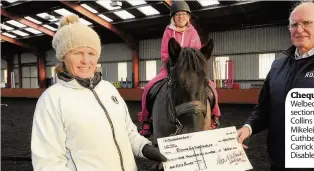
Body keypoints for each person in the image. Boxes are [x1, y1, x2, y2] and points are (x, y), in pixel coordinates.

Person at [31, 15, 167, 171]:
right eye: (77, 53)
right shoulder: (51, 100)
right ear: (63, 57)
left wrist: (145, 148)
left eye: (91, 53)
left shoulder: (108, 89)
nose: (85, 60)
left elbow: (128, 132)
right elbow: (48, 163)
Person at [237, 2, 314, 171]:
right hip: (279, 163)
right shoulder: (277, 66)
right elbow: (264, 108)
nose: (299, 29)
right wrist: (247, 128)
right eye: (294, 24)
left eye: (306, 23)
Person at [138, 0, 221, 137]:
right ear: (173, 18)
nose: (181, 17)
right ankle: (146, 120)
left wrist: (190, 62)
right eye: (177, 15)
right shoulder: (168, 32)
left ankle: (214, 115)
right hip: (172, 66)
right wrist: (174, 62)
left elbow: (197, 53)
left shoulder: (193, 33)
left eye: (183, 14)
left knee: (211, 86)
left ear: (188, 17)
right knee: (148, 87)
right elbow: (165, 53)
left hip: (190, 68)